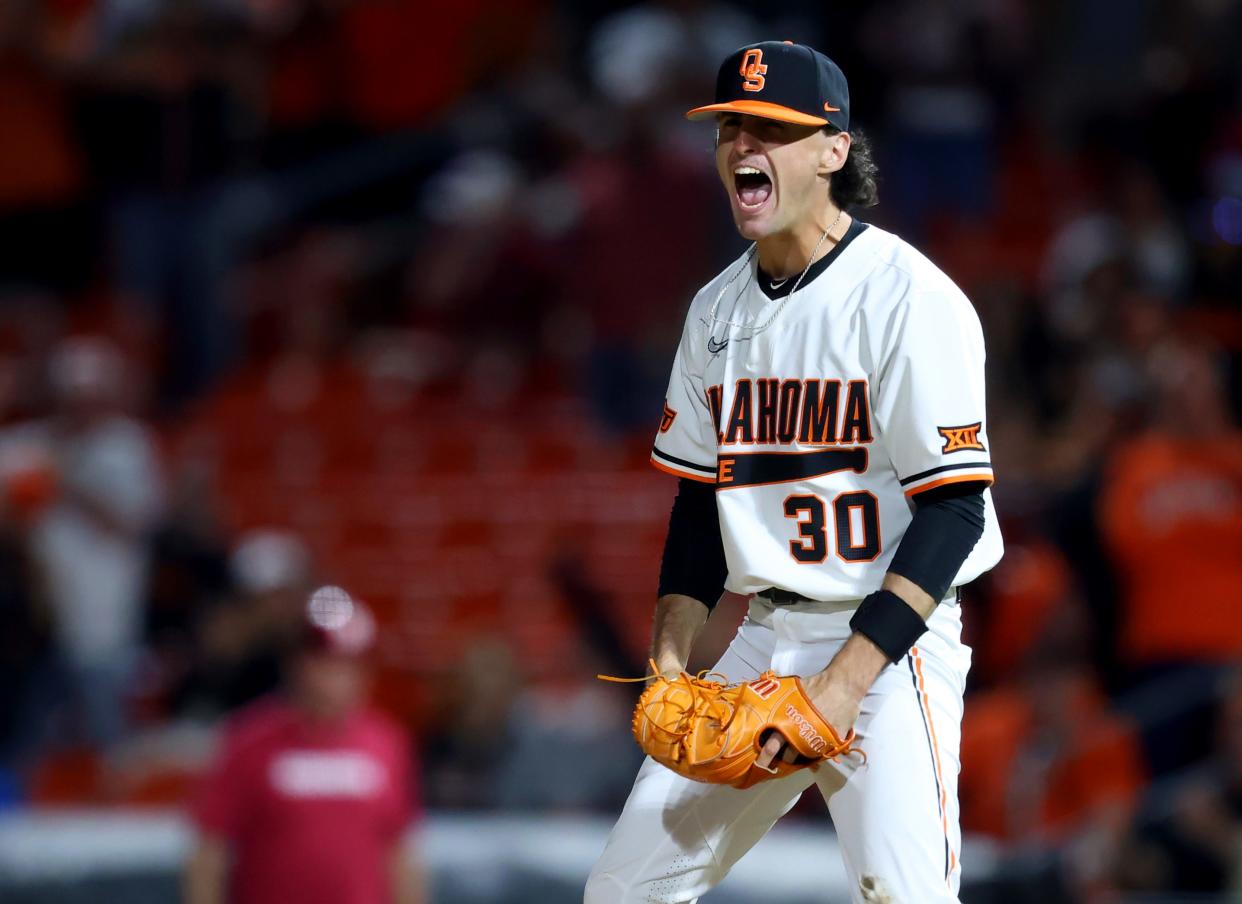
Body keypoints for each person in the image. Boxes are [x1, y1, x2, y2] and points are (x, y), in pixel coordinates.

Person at [585, 41, 1003, 903]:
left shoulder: (908, 298)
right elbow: (700, 505)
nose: (745, 145)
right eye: (732, 127)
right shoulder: (713, 312)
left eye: (772, 128)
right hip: (762, 640)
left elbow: (956, 514)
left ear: (833, 149)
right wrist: (669, 662)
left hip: (889, 653)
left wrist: (846, 683)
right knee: (623, 894)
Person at [185, 586, 425, 904]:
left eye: (349, 664)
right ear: (297, 663)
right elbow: (209, 853)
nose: (335, 677)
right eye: (324, 661)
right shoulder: (249, 740)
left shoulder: (387, 743)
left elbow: (400, 853)